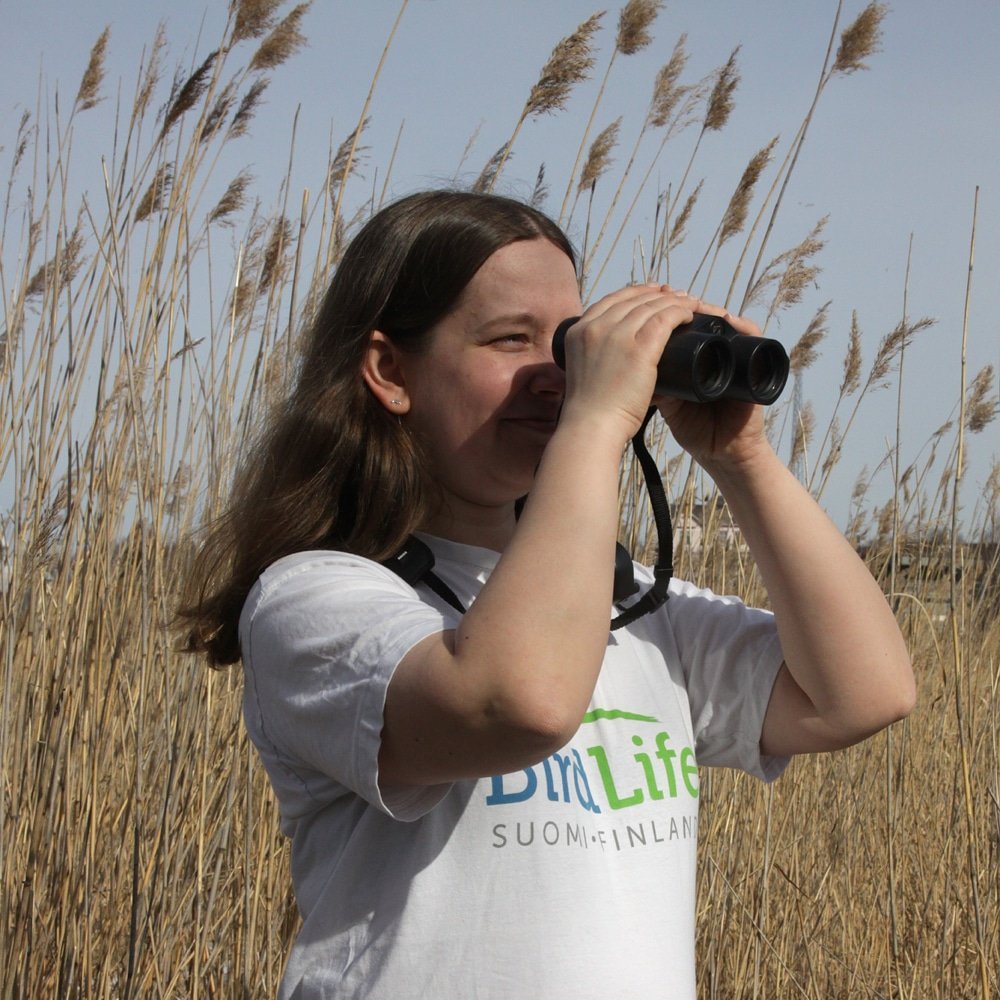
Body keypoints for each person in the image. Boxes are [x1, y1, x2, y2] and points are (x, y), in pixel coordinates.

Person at [178, 189, 915, 999]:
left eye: (568, 342)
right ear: (390, 371)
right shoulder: (316, 598)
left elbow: (862, 692)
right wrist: (595, 423)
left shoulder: (629, 603)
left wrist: (740, 456)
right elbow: (516, 700)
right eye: (508, 340)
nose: (555, 375)